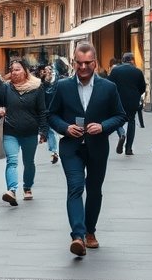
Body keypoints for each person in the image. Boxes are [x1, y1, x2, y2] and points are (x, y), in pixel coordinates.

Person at [47, 42, 126, 256]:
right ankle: (78, 236)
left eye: (87, 63)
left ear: (95, 63)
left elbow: (120, 115)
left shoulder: (108, 87)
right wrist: (65, 127)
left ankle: (90, 231)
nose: (83, 67)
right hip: (71, 147)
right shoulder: (63, 86)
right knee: (75, 187)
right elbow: (51, 114)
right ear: (73, 63)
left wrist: (103, 126)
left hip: (97, 147)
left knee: (94, 190)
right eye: (79, 63)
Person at [0, 59, 48, 205]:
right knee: (12, 161)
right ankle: (11, 190)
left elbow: (42, 111)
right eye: (12, 70)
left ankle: (27, 187)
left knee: (28, 162)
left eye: (17, 69)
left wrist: (43, 131)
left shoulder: (37, 87)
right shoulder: (5, 87)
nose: (14, 72)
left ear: (25, 70)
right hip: (10, 131)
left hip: (30, 132)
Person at [108, 53, 147, 156]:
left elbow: (109, 85)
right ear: (132, 60)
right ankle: (129, 148)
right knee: (131, 121)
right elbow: (143, 88)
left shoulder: (115, 70)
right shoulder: (137, 71)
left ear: (122, 60)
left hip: (118, 100)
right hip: (132, 101)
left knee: (117, 119)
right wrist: (136, 95)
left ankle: (122, 134)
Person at [39, 65, 59, 164]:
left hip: (54, 109)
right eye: (46, 70)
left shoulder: (57, 81)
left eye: (50, 69)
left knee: (52, 131)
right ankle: (54, 151)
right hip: (44, 110)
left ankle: (54, 151)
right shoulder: (42, 83)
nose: (48, 72)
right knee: (49, 131)